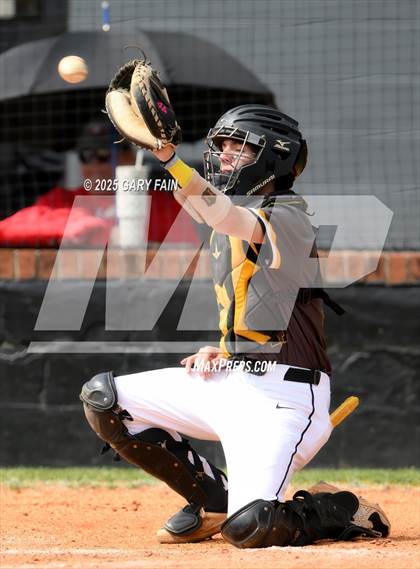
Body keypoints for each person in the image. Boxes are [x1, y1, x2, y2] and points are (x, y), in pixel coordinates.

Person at [80, 105, 390, 548]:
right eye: (221, 145)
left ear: (276, 158)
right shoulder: (230, 224)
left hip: (284, 398)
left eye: (239, 147)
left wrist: (169, 157)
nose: (224, 155)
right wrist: (226, 348)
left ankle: (339, 509)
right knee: (104, 399)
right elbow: (247, 281)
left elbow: (221, 213)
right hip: (233, 381)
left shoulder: (289, 216)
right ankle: (213, 500)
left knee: (252, 527)